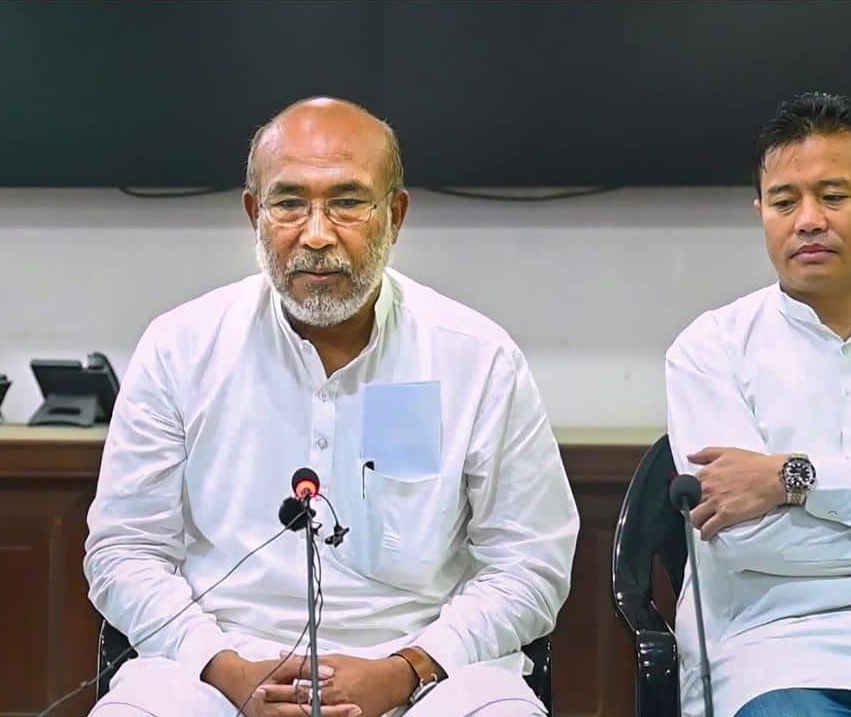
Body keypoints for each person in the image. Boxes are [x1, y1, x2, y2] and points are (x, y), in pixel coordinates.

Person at [85, 97, 579, 717]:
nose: (316, 235)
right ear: (254, 215)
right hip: (218, 670)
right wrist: (227, 669)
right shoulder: (180, 347)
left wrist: (408, 669)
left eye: (347, 202)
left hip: (428, 676)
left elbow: (530, 563)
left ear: (395, 215)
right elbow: (124, 551)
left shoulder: (476, 357)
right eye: (290, 204)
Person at [665, 91, 851, 717]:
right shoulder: (711, 349)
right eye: (784, 201)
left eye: (833, 196)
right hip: (776, 649)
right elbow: (748, 543)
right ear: (761, 214)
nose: (808, 221)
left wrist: (792, 478)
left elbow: (778, 519)